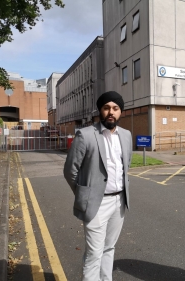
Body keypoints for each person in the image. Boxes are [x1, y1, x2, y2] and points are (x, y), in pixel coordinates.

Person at [64, 91, 132, 281]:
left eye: (115, 108)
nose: (111, 112)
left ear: (120, 112)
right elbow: (70, 170)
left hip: (119, 201)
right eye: (107, 108)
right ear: (100, 110)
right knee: (94, 252)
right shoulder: (85, 135)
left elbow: (126, 166)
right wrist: (83, 195)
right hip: (96, 203)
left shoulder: (126, 135)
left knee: (109, 247)